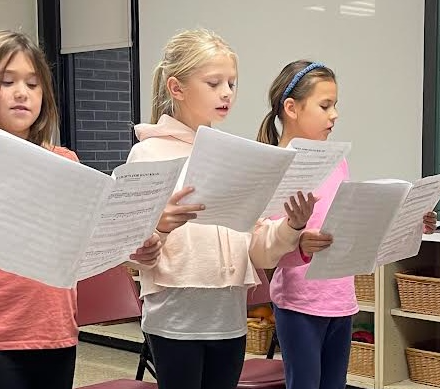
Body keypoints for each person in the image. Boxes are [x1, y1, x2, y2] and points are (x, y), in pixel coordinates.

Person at [0, 30, 161, 389]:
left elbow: (85, 247)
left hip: (54, 332)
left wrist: (133, 248)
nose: (23, 93)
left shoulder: (65, 161)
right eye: (7, 81)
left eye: (33, 84)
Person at [126, 28, 316, 389]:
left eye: (232, 83)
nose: (227, 92)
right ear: (176, 88)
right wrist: (160, 228)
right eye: (214, 83)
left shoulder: (236, 155)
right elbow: (134, 252)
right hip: (175, 320)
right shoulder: (148, 154)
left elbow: (258, 250)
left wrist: (291, 226)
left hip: (229, 320)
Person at [256, 60, 438, 389]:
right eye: (325, 105)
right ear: (291, 108)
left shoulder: (337, 161)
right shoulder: (275, 165)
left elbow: (352, 224)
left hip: (341, 299)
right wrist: (298, 243)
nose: (334, 114)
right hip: (299, 303)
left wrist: (411, 220)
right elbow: (265, 246)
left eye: (335, 105)